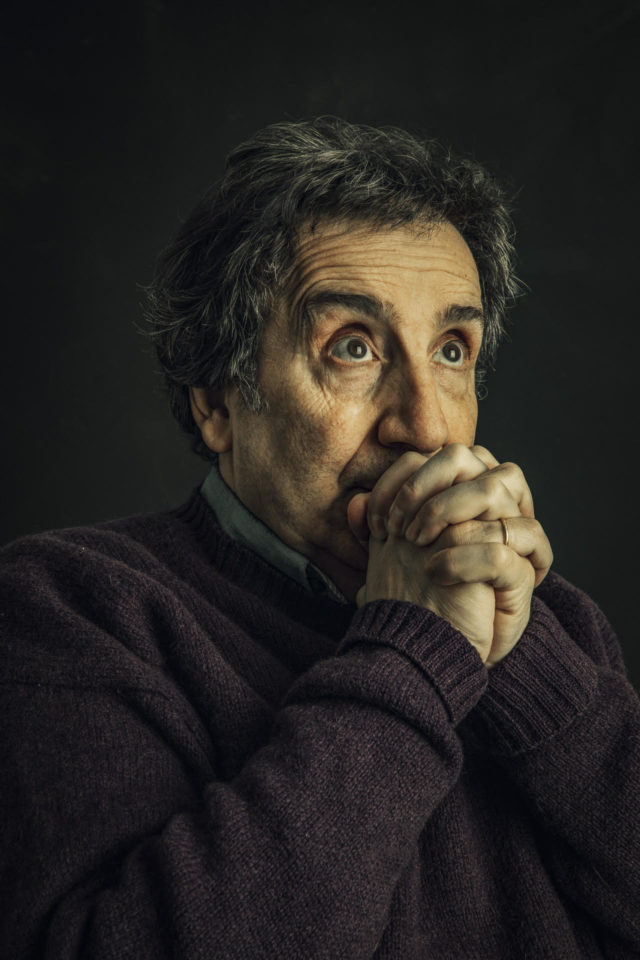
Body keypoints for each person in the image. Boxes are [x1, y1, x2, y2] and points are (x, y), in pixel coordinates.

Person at [1, 117, 638, 960]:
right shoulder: (68, 608)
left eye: (452, 350)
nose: (426, 427)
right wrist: (418, 652)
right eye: (354, 346)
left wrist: (526, 666)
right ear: (218, 401)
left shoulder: (554, 627)